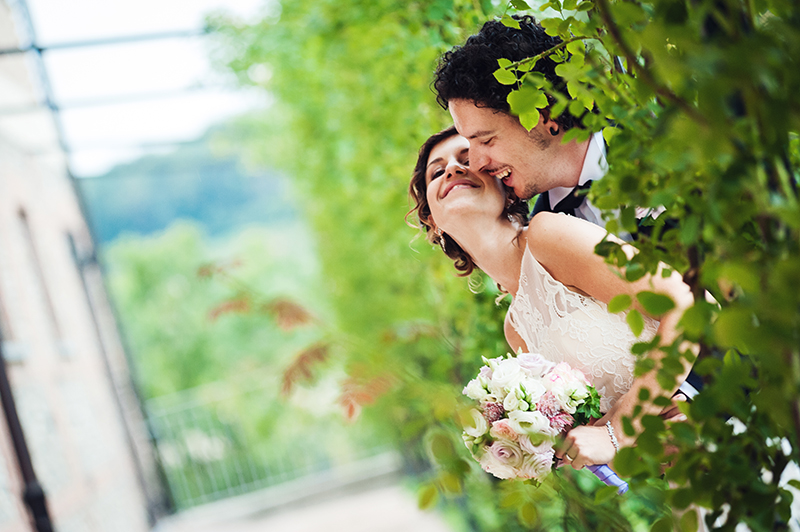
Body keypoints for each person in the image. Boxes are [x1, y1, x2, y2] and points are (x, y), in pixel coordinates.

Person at [432, 14, 704, 400]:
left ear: (542, 118)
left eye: (485, 140)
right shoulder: (549, 238)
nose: (475, 163)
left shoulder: (667, 142)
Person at [409, 126, 694, 470]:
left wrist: (621, 430)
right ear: (431, 220)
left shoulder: (549, 235)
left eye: (468, 160)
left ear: (506, 184)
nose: (453, 169)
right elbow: (611, 436)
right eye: (437, 171)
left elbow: (684, 304)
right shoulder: (515, 330)